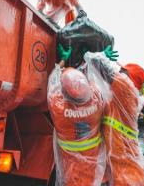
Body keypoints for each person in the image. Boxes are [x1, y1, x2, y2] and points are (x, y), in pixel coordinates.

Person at [84, 48, 144, 186]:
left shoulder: (125, 87)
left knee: (127, 179)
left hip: (120, 152)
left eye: (123, 70)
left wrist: (102, 55)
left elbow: (95, 61)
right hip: (121, 149)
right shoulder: (127, 93)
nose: (120, 71)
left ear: (129, 76)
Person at [47, 45, 105, 186]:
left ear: (63, 92)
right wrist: (88, 62)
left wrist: (62, 62)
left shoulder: (58, 109)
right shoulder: (97, 102)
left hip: (71, 173)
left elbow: (52, 82)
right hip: (93, 170)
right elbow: (93, 81)